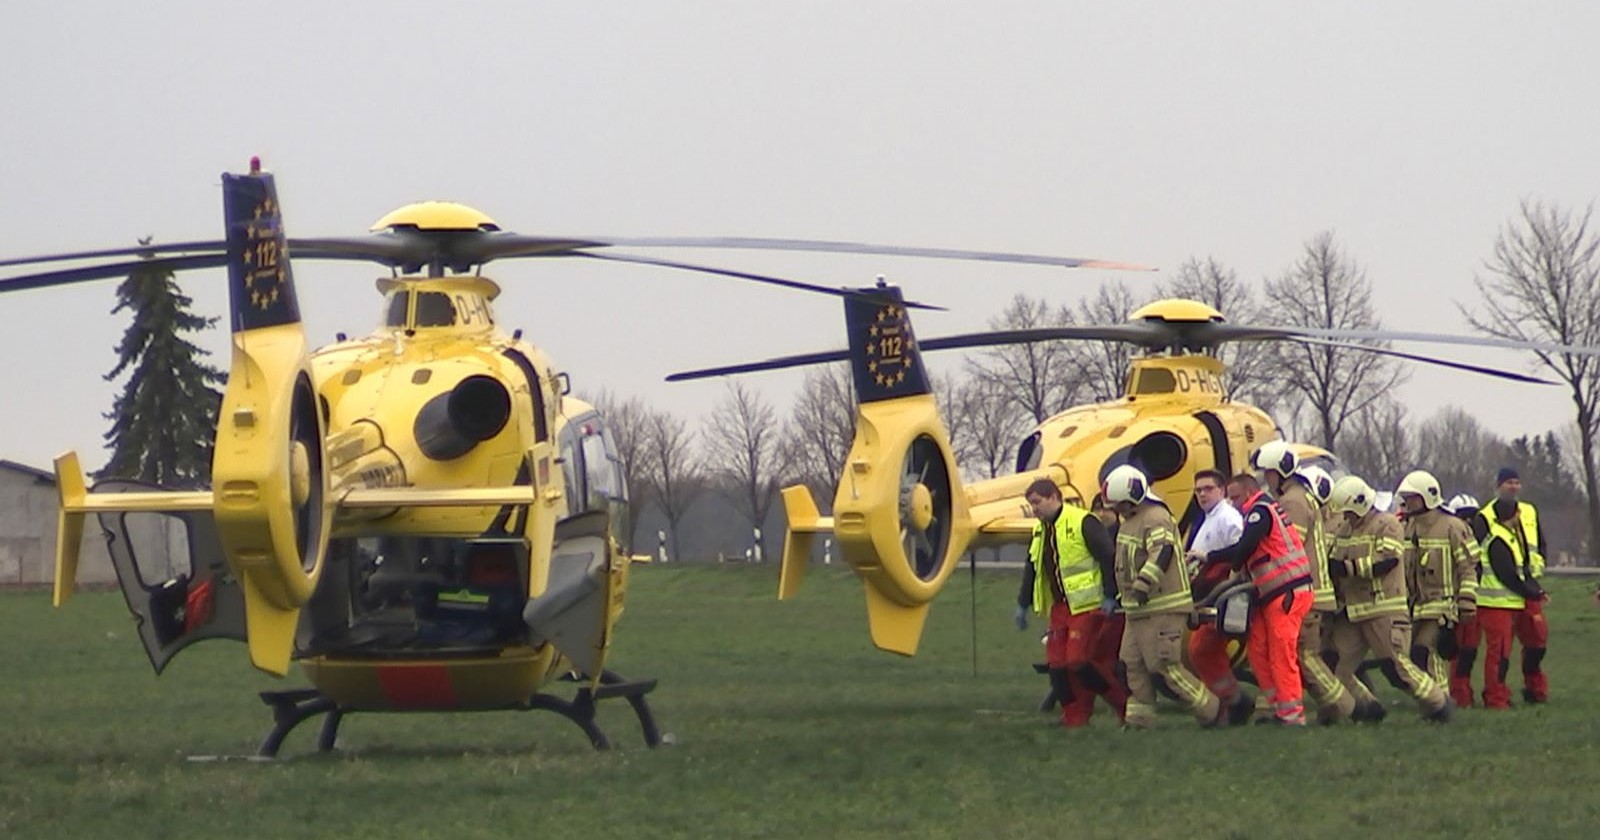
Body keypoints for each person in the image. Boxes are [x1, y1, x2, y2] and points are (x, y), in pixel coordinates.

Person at [1104, 464, 1224, 728]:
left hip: (1163, 606)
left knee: (1164, 665)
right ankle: (1140, 720)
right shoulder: (1130, 523)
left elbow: (1162, 552)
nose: (1118, 510)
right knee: (1132, 663)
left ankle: (1213, 711)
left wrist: (1142, 585)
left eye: (1121, 504)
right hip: (1137, 610)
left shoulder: (1155, 517)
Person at [1326, 476, 1453, 723]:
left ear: (1360, 503)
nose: (1346, 517)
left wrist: (1347, 568)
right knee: (1338, 668)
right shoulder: (1345, 529)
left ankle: (1438, 705)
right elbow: (1334, 560)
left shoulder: (1387, 524)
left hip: (1384, 609)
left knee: (1398, 666)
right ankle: (1368, 708)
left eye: (1349, 511)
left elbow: (1387, 560)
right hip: (1353, 611)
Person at [1199, 471, 1316, 726]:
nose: (1233, 503)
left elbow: (1245, 547)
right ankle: (1279, 707)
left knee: (1281, 653)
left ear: (1250, 493)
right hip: (1274, 594)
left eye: (1237, 497)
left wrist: (1228, 561)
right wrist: (1211, 557)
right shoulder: (1261, 511)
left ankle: (1292, 715)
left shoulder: (1259, 511)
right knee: (1259, 649)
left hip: (1287, 592)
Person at [1249, 441, 1354, 724]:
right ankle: (1281, 709)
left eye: (1268, 473)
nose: (1266, 480)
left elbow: (1283, 546)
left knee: (1304, 657)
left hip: (1303, 591)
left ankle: (1350, 708)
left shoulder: (1292, 502)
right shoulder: (1299, 496)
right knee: (1293, 655)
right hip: (1308, 589)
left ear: (1281, 472)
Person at [1016, 479, 1128, 727]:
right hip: (1060, 607)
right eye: (1030, 504)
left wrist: (1111, 595)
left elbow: (1107, 558)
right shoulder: (1040, 529)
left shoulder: (1083, 522)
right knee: (1057, 665)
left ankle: (1122, 703)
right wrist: (1022, 603)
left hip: (1087, 605)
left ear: (1054, 497)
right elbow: (1032, 567)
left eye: (1037, 502)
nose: (1034, 509)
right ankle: (1074, 715)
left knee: (1078, 660)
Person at [1396, 471, 1480, 693]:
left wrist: (1467, 601)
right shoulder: (1408, 527)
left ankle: (1442, 700)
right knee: (1412, 656)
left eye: (1412, 498)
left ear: (1427, 497)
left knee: (1425, 650)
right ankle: (1432, 699)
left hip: (1443, 605)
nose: (1407, 503)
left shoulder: (1453, 527)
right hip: (1415, 607)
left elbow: (1468, 567)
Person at [1181, 469, 1254, 718]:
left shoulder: (1227, 518)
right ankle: (1232, 701)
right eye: (1198, 490)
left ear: (1221, 491)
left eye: (1208, 489)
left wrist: (1209, 558)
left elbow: (1241, 550)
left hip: (1223, 598)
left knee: (1202, 648)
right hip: (1209, 597)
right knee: (1201, 650)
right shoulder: (1208, 518)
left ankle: (1231, 702)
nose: (1202, 494)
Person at [1467, 492, 1547, 709]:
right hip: (1496, 604)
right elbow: (1508, 575)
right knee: (1498, 655)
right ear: (1514, 514)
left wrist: (1532, 590)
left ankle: (1500, 694)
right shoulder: (1499, 540)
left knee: (1503, 653)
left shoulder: (1504, 536)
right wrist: (1530, 592)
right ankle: (1495, 697)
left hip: (1505, 603)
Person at [1493, 467, 1550, 703]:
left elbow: (1540, 541)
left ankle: (1535, 689)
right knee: (1502, 648)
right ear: (1498, 486)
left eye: (1517, 482)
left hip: (1530, 585)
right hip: (1501, 588)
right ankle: (1498, 693)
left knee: (1536, 641)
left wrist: (1539, 567)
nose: (1513, 486)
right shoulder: (1489, 513)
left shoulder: (1529, 511)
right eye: (1508, 482)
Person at [1442, 494, 1484, 707]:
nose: (1468, 522)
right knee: (1457, 653)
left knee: (1469, 652)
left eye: (1472, 517)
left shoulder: (1476, 541)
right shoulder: (1451, 537)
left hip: (1474, 603)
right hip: (1454, 603)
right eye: (1463, 517)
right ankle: (1457, 695)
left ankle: (1462, 694)